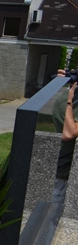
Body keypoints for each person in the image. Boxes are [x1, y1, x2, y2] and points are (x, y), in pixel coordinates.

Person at [53, 70, 77, 204]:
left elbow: (69, 133)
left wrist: (69, 101)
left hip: (63, 172)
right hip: (54, 165)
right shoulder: (73, 92)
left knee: (52, 210)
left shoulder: (72, 97)